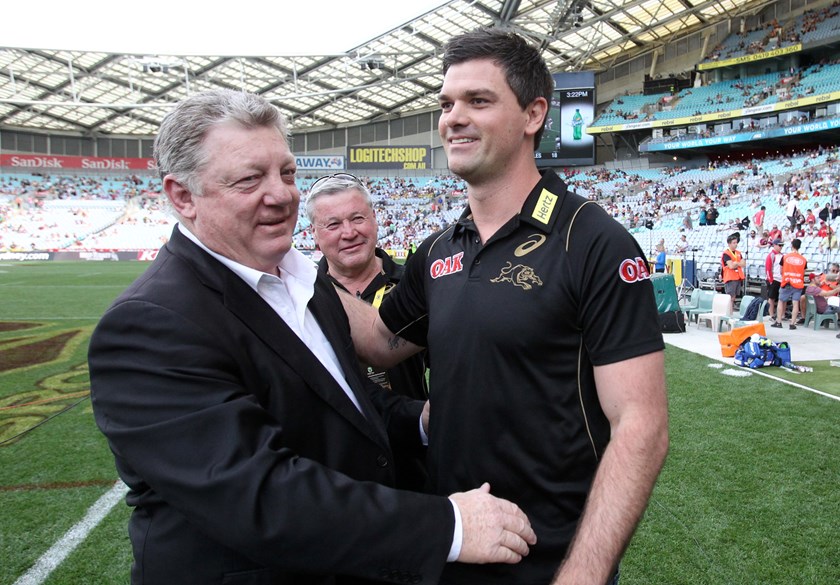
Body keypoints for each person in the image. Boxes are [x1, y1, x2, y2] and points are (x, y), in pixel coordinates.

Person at [87, 89, 536, 585]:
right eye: (249, 179)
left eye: (286, 172)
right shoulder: (150, 323)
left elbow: (350, 406)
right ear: (183, 196)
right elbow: (258, 495)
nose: (280, 195)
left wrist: (425, 421)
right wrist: (447, 526)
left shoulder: (302, 281)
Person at [338, 28, 668, 585]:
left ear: (534, 114)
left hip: (549, 561)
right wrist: (289, 271)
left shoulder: (592, 241)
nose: (453, 118)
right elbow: (378, 341)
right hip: (452, 547)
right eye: (446, 103)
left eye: (479, 101)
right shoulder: (439, 249)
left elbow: (641, 425)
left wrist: (582, 573)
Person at [307, 173, 429, 489]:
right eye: (333, 225)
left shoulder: (415, 289)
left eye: (357, 218)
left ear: (375, 220)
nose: (349, 233)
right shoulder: (301, 299)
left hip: (417, 463)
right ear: (314, 236)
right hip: (336, 473)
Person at [772, 238, 807, 330]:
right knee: (795, 303)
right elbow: (804, 272)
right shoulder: (803, 259)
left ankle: (779, 321)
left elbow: (780, 270)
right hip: (798, 283)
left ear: (792, 245)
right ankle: (792, 323)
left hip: (787, 282)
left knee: (781, 301)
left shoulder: (785, 257)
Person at [722, 232, 746, 313]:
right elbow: (731, 266)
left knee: (734, 297)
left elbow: (743, 264)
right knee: (730, 297)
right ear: (729, 244)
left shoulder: (738, 253)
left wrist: (736, 263)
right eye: (734, 243)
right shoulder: (726, 254)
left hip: (737, 277)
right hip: (730, 278)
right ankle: (729, 313)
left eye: (736, 242)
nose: (736, 244)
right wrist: (737, 264)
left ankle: (730, 313)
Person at [764, 239, 784, 322]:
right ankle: (771, 315)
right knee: (771, 298)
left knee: (781, 298)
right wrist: (770, 280)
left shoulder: (782, 255)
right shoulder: (771, 255)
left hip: (780, 279)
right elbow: (768, 269)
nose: (781, 247)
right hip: (774, 279)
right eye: (779, 245)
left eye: (782, 245)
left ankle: (781, 315)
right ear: (774, 245)